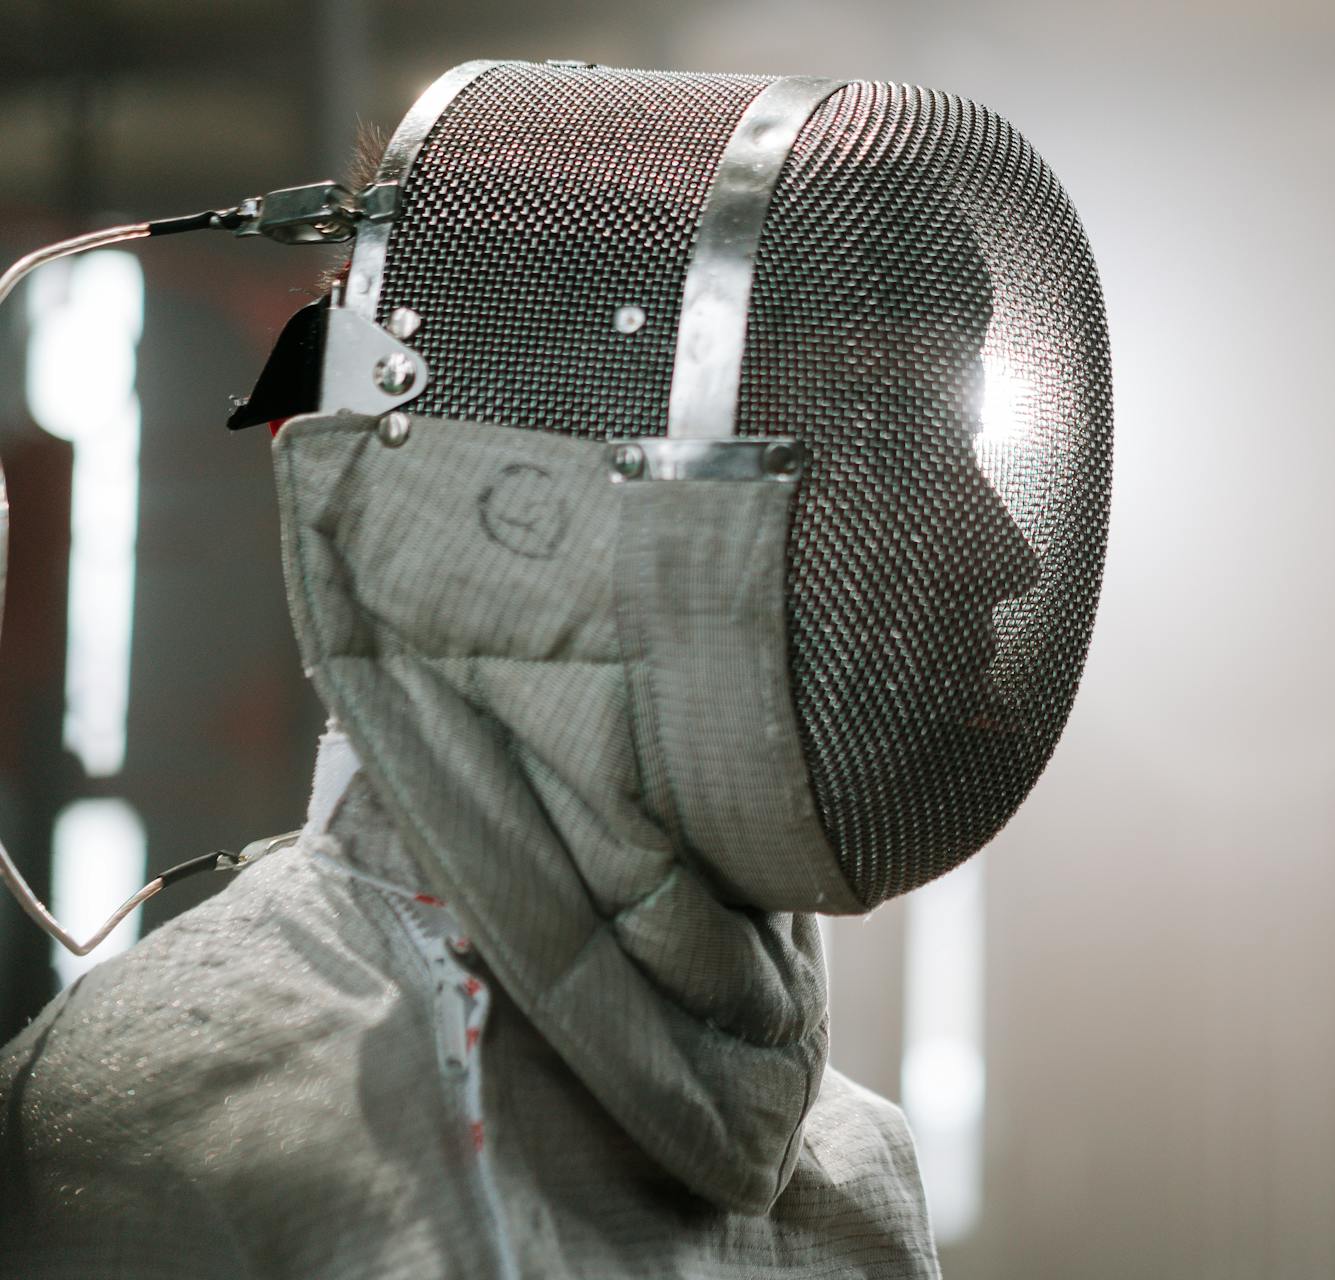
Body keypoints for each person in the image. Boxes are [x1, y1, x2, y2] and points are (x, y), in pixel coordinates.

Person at [0, 63, 1110, 1278]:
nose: (1001, 551)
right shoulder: (170, 1135)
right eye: (887, 451)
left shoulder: (855, 1176)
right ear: (561, 489)